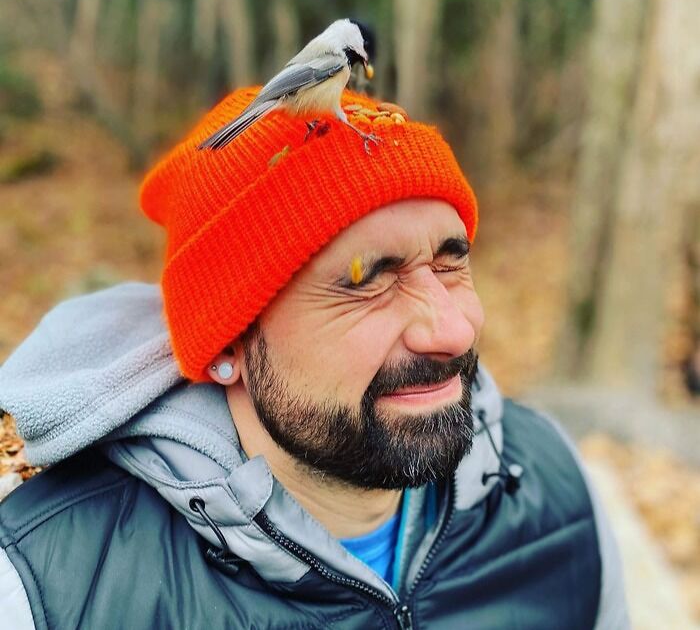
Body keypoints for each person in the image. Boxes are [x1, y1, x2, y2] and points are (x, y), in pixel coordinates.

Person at [0, 80, 628, 627]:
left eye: (450, 263)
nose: (452, 332)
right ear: (227, 345)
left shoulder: (558, 496)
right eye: (367, 281)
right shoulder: (46, 588)